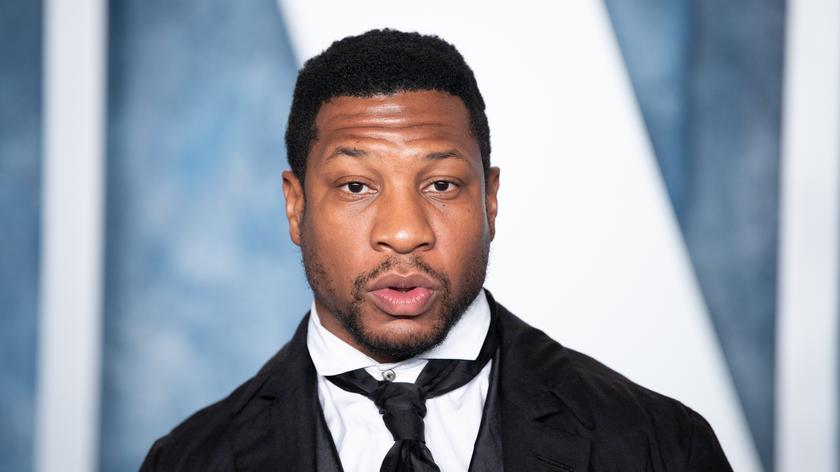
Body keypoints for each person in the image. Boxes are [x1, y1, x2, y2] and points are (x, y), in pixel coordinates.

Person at [141, 29, 732, 471]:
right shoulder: (187, 462)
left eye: (441, 185)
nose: (404, 232)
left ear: (490, 200)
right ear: (295, 207)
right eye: (356, 187)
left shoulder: (662, 446)